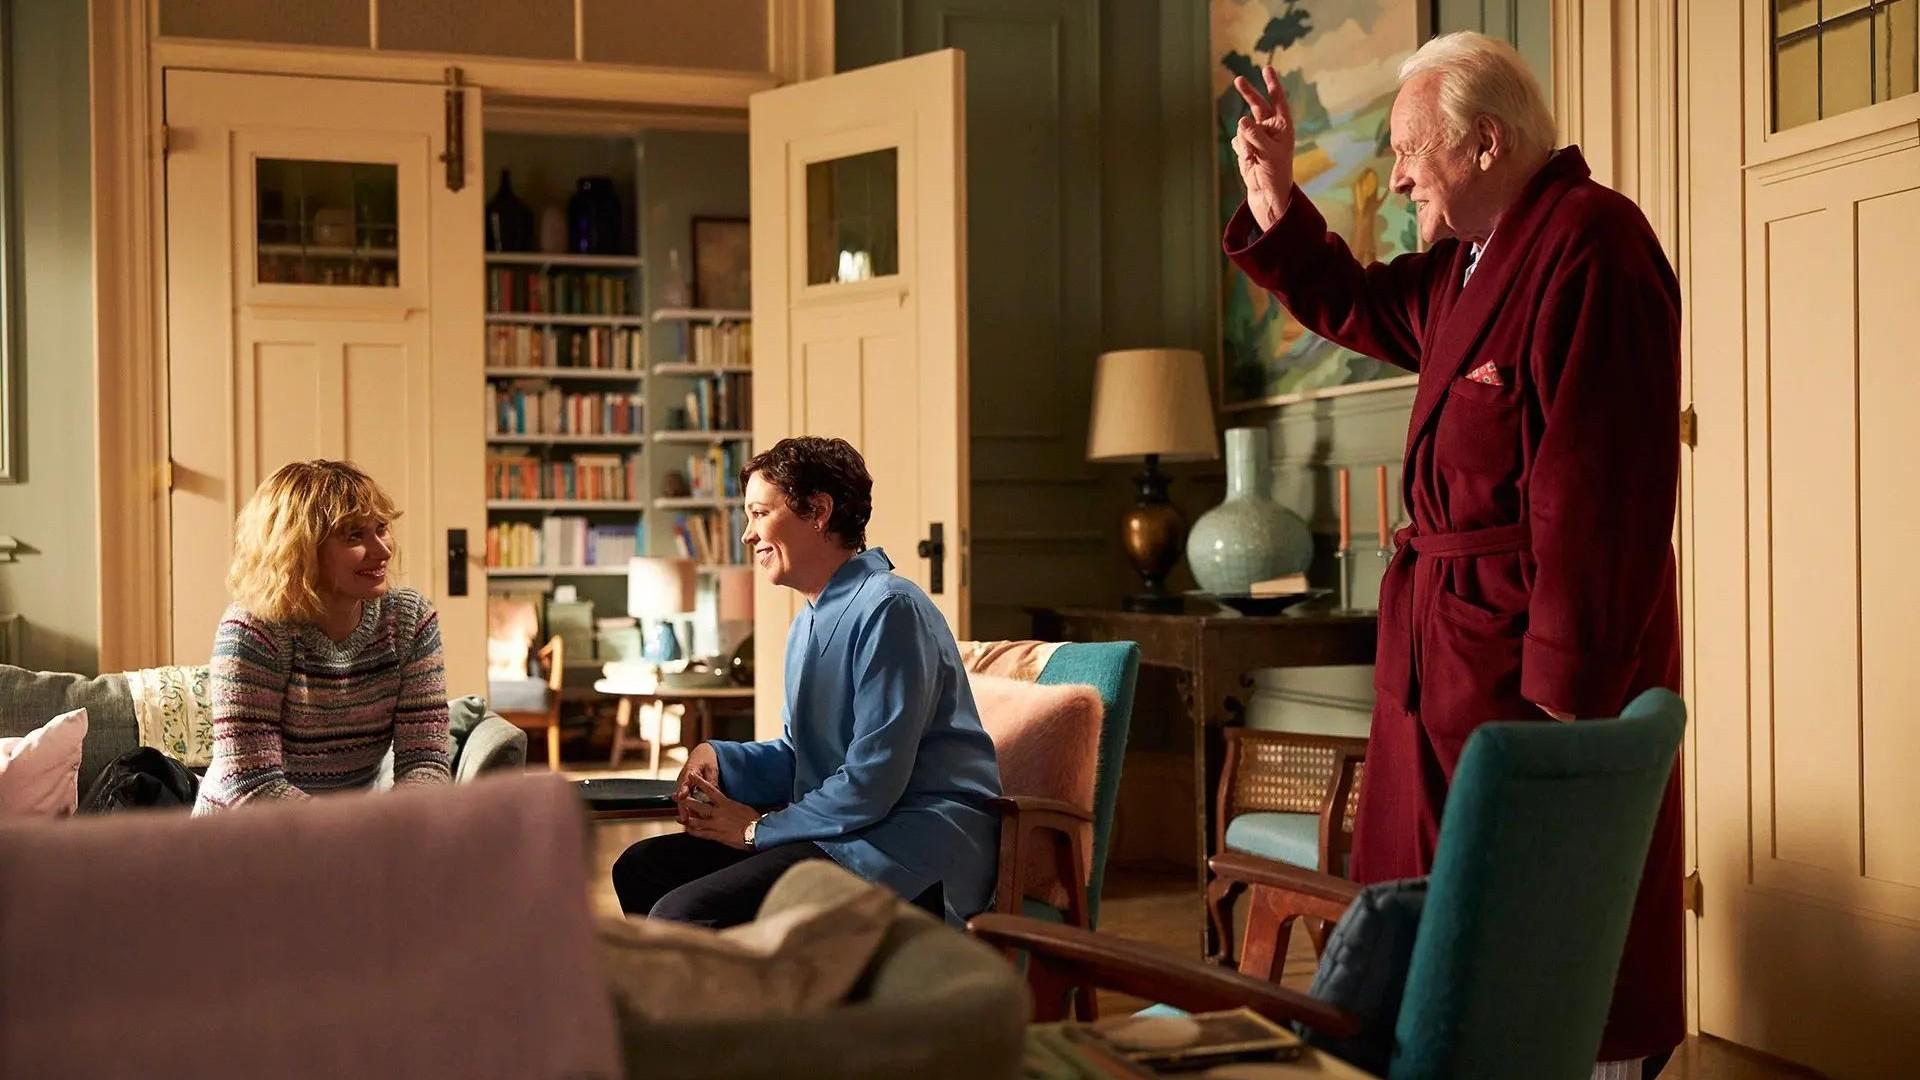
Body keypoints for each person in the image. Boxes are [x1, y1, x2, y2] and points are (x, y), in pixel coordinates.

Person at [1227, 32, 1683, 1079]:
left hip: (1525, 678)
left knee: (1530, 935)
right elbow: (1358, 302)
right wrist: (1274, 198)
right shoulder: (1470, 263)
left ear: (1484, 142)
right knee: (1431, 933)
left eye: (1407, 150)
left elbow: (1602, 496)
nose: (1394, 179)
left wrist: (1569, 712)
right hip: (1444, 658)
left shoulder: (1594, 244)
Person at [611, 436, 1002, 927]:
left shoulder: (891, 608)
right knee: (642, 868)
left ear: (817, 511)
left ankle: (754, 978)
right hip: (846, 832)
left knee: (683, 912)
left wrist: (756, 829)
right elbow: (804, 756)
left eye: (759, 514)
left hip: (911, 846)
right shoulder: (808, 622)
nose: (747, 535)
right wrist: (719, 757)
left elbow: (873, 780)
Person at [192, 460, 451, 814]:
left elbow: (426, 762)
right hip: (243, 834)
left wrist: (393, 825)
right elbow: (251, 784)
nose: (383, 550)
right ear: (300, 549)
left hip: (348, 832)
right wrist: (353, 832)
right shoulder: (253, 630)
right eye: (354, 535)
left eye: (381, 528)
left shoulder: (409, 619)